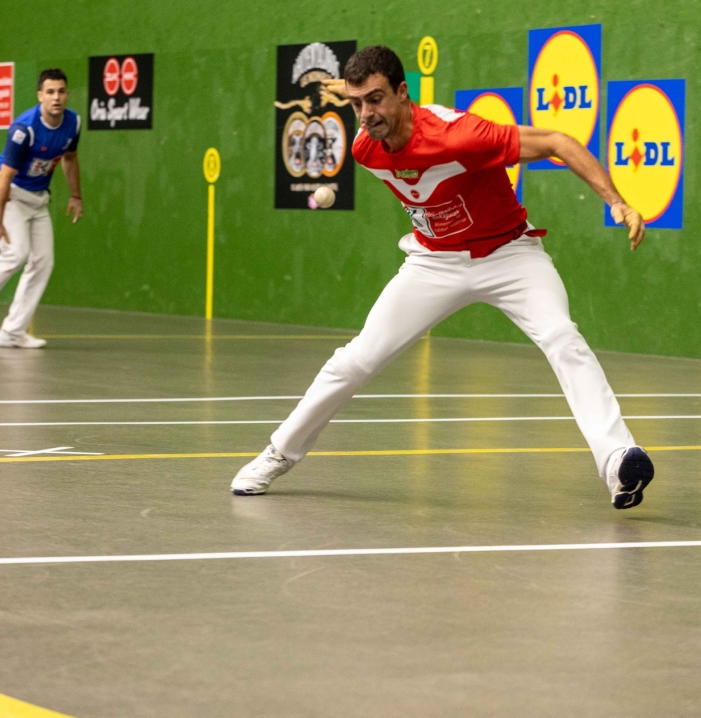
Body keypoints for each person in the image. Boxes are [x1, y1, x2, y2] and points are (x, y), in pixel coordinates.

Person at [232, 46, 654, 510]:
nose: (366, 113)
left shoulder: (461, 135)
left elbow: (557, 142)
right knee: (353, 362)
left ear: (403, 93)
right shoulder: (365, 148)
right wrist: (350, 94)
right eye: (355, 103)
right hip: (433, 263)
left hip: (510, 256)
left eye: (375, 99)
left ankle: (618, 459)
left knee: (561, 336)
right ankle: (277, 454)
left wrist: (616, 201)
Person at [0, 69, 83, 348]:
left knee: (43, 261)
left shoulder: (73, 122)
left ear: (67, 93)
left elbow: (70, 158)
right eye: (50, 92)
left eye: (61, 91)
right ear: (40, 95)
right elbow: (6, 176)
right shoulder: (24, 129)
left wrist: (76, 195)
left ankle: (12, 332)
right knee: (16, 253)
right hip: (10, 195)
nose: (57, 97)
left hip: (38, 198)